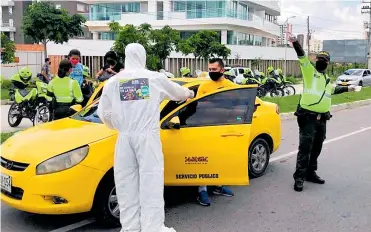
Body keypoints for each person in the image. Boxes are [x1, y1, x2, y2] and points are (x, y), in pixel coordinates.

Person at [97, 43, 194, 232]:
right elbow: (178, 92)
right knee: (151, 181)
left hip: (124, 138)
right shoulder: (154, 78)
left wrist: (121, 127)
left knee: (126, 183)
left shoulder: (114, 82)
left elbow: (104, 114)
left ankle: (130, 227)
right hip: (147, 137)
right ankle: (153, 227)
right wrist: (189, 93)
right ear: (143, 56)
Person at [288, 36, 357, 192]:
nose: (322, 61)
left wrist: (348, 88)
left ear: (327, 63)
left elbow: (333, 90)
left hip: (322, 120)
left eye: (324, 60)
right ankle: (299, 177)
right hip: (308, 118)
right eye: (320, 58)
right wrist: (295, 42)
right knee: (305, 148)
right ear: (316, 60)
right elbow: (301, 56)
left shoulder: (326, 79)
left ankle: (310, 173)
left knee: (317, 147)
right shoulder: (309, 71)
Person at [196, 58, 236, 206]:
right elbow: (198, 106)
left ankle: (219, 186)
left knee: (220, 158)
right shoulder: (204, 86)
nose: (211, 72)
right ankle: (202, 190)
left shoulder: (231, 87)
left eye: (214, 70)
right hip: (206, 128)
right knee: (204, 160)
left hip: (224, 128)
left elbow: (235, 106)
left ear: (222, 70)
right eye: (210, 70)